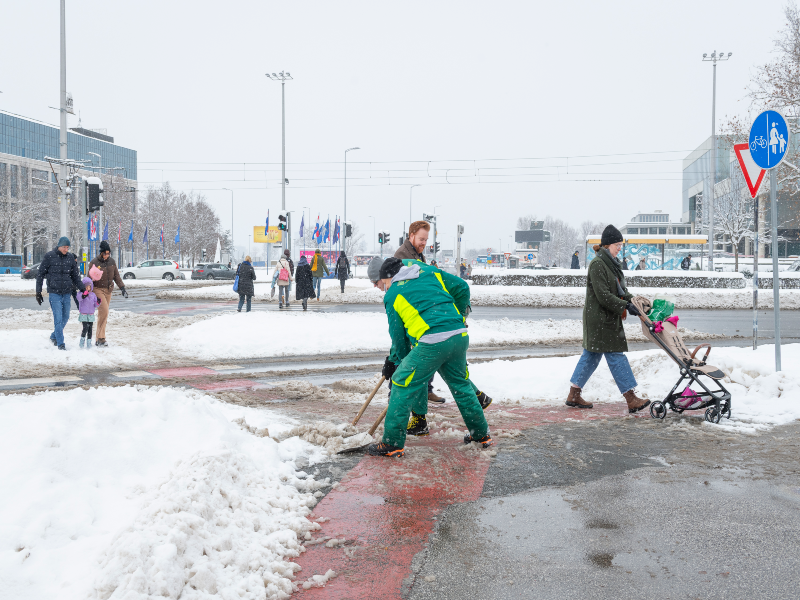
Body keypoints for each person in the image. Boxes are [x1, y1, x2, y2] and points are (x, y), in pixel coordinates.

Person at [366, 257, 491, 457]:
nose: (383, 288)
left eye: (383, 283)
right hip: (459, 334)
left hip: (433, 341)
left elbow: (398, 338)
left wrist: (399, 363)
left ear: (389, 278)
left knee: (401, 382)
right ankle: (481, 435)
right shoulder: (427, 275)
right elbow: (459, 288)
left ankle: (392, 443)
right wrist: (459, 317)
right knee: (461, 384)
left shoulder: (393, 295)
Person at [566, 224, 650, 413]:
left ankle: (574, 394)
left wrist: (634, 301)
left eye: (621, 244)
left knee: (591, 356)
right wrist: (624, 306)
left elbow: (621, 290)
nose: (620, 247)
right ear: (607, 245)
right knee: (615, 356)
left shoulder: (612, 264)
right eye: (617, 244)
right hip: (600, 319)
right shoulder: (598, 265)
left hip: (605, 318)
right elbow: (603, 295)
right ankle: (631, 398)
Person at [393, 221, 443, 403]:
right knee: (413, 352)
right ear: (411, 235)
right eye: (421, 239)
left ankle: (426, 389)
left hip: (421, 310)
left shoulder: (417, 254)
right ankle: (405, 392)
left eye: (426, 239)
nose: (424, 243)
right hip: (411, 312)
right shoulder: (402, 255)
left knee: (427, 350)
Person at [35, 236, 85, 350]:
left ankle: (54, 336)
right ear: (59, 246)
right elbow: (40, 274)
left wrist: (83, 289)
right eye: (64, 247)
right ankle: (60, 343)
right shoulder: (49, 256)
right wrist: (38, 291)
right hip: (54, 293)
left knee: (66, 316)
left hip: (66, 292)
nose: (66, 249)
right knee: (58, 317)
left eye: (67, 247)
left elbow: (75, 276)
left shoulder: (70, 258)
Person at [88, 240, 128, 347]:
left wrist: (122, 288)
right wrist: (87, 291)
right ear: (101, 252)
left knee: (103, 314)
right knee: (105, 311)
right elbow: (88, 278)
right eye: (105, 253)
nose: (107, 255)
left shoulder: (112, 262)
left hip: (109, 290)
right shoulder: (94, 262)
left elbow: (116, 276)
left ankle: (98, 339)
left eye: (108, 253)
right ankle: (101, 338)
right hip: (97, 289)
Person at [77, 276, 101, 348]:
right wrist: (83, 294)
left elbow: (95, 305)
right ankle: (82, 342)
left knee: (90, 328)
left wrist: (98, 302)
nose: (88, 288)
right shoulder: (80, 293)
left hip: (91, 314)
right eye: (86, 287)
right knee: (85, 328)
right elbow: (79, 298)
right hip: (84, 314)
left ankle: (89, 343)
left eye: (89, 287)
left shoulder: (93, 295)